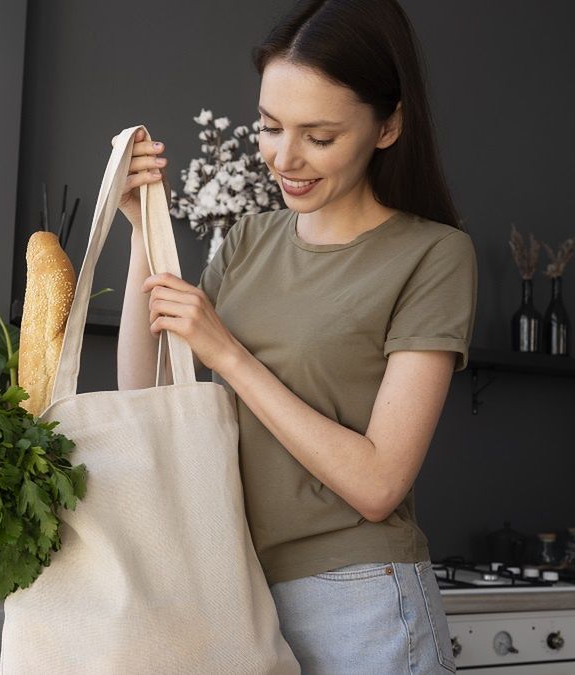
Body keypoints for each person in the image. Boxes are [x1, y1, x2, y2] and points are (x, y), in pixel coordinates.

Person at [114, 1, 475, 672]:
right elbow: (145, 395)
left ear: (388, 125)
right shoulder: (250, 239)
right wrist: (143, 231)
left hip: (363, 601)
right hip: (238, 595)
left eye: (320, 136)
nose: (285, 157)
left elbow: (378, 484)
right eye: (270, 126)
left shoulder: (433, 256)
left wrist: (228, 354)